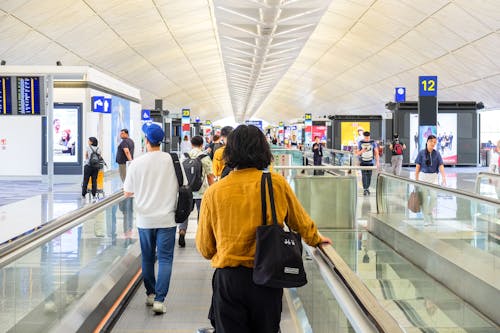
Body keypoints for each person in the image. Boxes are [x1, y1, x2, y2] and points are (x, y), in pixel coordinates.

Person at [196, 124, 332, 333]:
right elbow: (300, 222)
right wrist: (316, 239)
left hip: (229, 280)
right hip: (268, 276)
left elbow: (205, 248)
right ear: (263, 151)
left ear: (229, 152)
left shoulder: (214, 192)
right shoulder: (275, 184)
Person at [123, 123, 178, 314]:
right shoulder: (173, 161)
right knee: (165, 259)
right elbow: (184, 186)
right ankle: (160, 301)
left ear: (146, 140)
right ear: (161, 142)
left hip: (145, 220)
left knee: (147, 258)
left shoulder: (137, 163)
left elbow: (128, 191)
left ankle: (151, 294)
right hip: (167, 219)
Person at [178, 135, 215, 247]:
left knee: (185, 213)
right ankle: (200, 236)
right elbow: (210, 176)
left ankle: (182, 232)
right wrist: (212, 189)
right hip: (201, 190)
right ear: (202, 144)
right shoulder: (204, 157)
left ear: (191, 144)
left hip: (186, 190)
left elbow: (180, 173)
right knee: (201, 213)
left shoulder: (184, 156)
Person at [415, 135, 447, 225]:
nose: (433, 144)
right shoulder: (421, 153)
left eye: (435, 142)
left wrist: (444, 176)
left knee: (434, 197)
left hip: (434, 178)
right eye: (432, 142)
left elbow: (441, 165)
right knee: (424, 199)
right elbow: (417, 167)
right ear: (427, 142)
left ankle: (429, 212)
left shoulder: (437, 154)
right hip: (423, 177)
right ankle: (426, 219)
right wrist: (416, 180)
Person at [356, 131, 379, 195]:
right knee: (364, 176)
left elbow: (376, 152)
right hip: (362, 162)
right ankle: (365, 189)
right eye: (366, 138)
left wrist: (377, 162)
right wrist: (362, 151)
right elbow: (357, 153)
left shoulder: (373, 142)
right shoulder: (360, 142)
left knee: (369, 176)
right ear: (364, 137)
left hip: (371, 162)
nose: (367, 139)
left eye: (368, 138)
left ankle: (367, 188)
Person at [82, 137, 101, 201]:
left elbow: (86, 156)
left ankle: (83, 194)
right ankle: (94, 195)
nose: (88, 142)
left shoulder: (88, 148)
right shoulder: (98, 149)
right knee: (94, 181)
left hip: (88, 166)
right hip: (96, 167)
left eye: (89, 141)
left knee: (86, 180)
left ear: (92, 142)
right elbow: (99, 157)